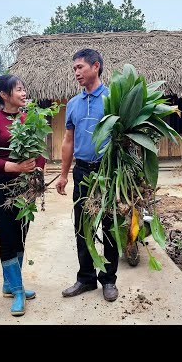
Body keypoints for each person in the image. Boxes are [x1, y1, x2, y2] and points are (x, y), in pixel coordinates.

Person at [56, 48, 119, 302]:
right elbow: (68, 140)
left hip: (108, 171)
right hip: (82, 171)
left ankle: (109, 280)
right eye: (74, 69)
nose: (76, 73)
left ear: (96, 66)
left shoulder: (114, 99)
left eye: (80, 67)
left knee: (109, 227)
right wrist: (63, 174)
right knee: (82, 226)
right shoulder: (72, 104)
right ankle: (85, 279)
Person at [0, 74, 45, 316]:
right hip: (1, 189)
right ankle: (18, 291)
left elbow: (38, 151)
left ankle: (10, 284)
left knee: (20, 237)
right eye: (19, 89)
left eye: (24, 88)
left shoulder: (29, 119)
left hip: (24, 190)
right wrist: (15, 167)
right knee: (8, 239)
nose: (24, 92)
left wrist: (38, 171)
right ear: (4, 95)